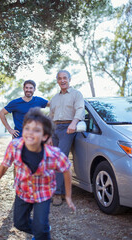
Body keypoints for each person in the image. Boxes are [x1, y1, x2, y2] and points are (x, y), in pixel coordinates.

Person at [0, 107, 76, 240]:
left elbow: (66, 170)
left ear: (45, 136)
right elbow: (4, 166)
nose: (30, 133)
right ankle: (42, 229)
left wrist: (68, 196)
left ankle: (42, 231)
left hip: (43, 192)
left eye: (36, 130)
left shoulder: (53, 154)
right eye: (27, 128)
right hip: (23, 191)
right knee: (19, 223)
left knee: (41, 229)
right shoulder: (14, 146)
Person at [50, 70, 85, 206]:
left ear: (69, 79)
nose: (62, 80)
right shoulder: (55, 98)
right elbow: (51, 115)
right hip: (55, 129)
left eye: (65, 78)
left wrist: (73, 123)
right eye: (60, 78)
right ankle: (62, 191)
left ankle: (57, 194)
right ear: (57, 81)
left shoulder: (76, 94)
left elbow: (80, 109)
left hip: (68, 129)